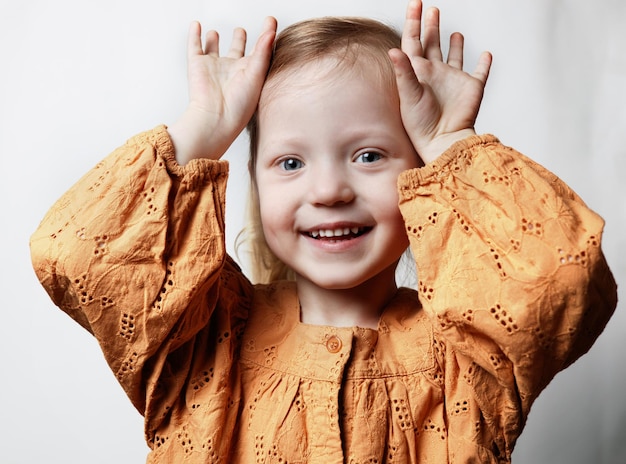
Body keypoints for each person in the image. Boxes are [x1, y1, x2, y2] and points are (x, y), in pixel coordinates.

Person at [30, 0, 617, 462]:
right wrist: (203, 130)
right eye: (290, 163)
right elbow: (75, 255)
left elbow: (560, 280)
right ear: (255, 185)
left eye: (368, 155)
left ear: (423, 184)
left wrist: (450, 146)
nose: (329, 190)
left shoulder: (469, 358)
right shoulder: (201, 338)